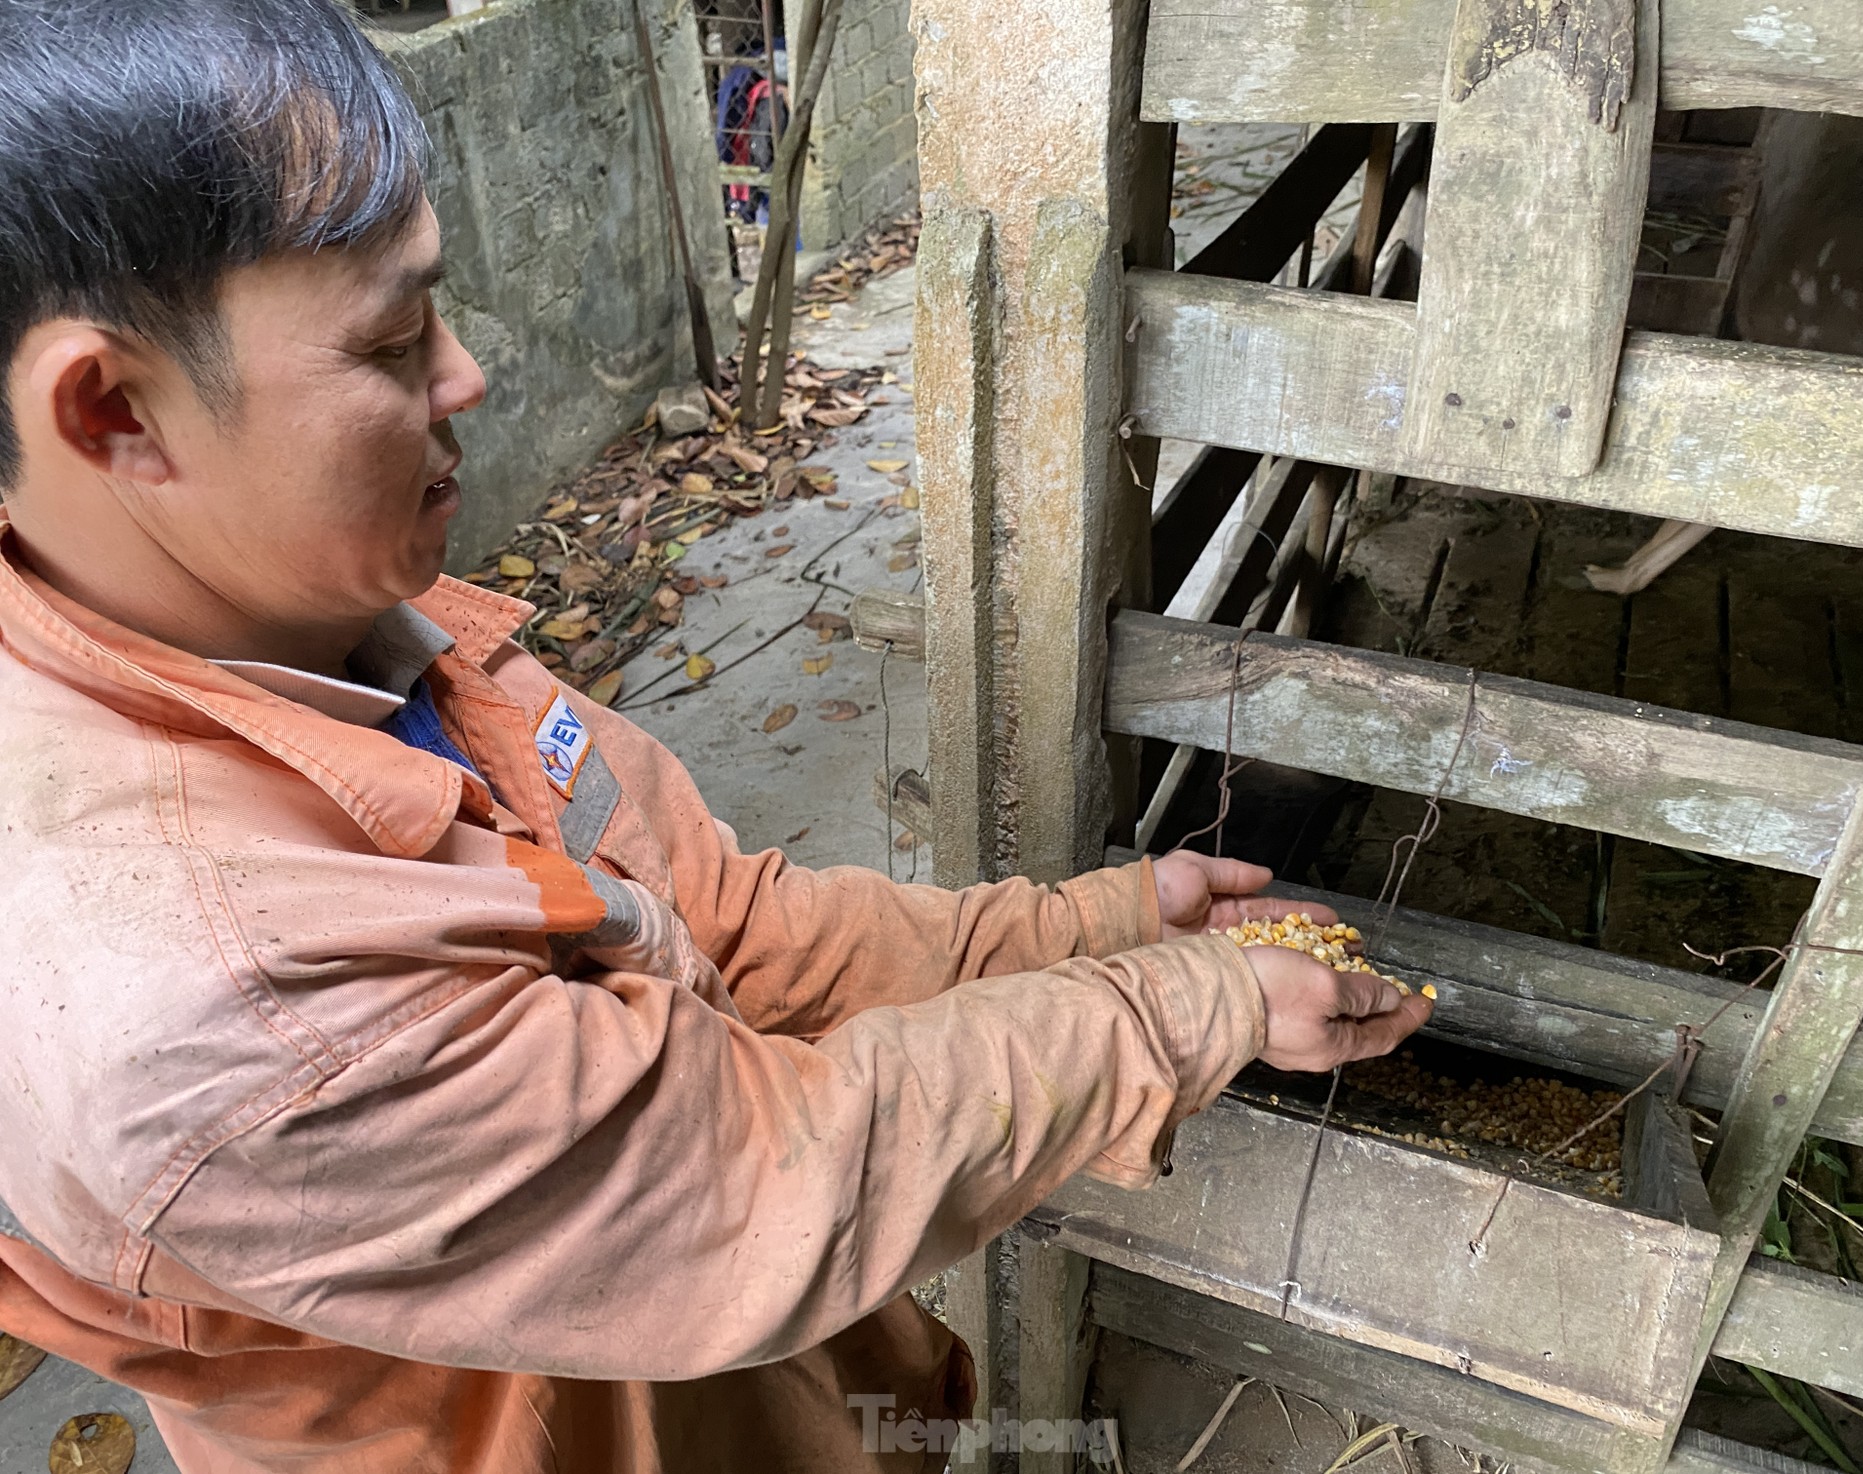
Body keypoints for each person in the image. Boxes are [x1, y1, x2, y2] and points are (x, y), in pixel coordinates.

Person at [0, 2, 1432, 1470]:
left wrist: (1095, 920)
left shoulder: (330, 629)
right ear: (113, 408)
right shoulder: (220, 999)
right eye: (390, 337)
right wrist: (1196, 1006)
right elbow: (755, 1173)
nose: (465, 376)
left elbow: (716, 920)